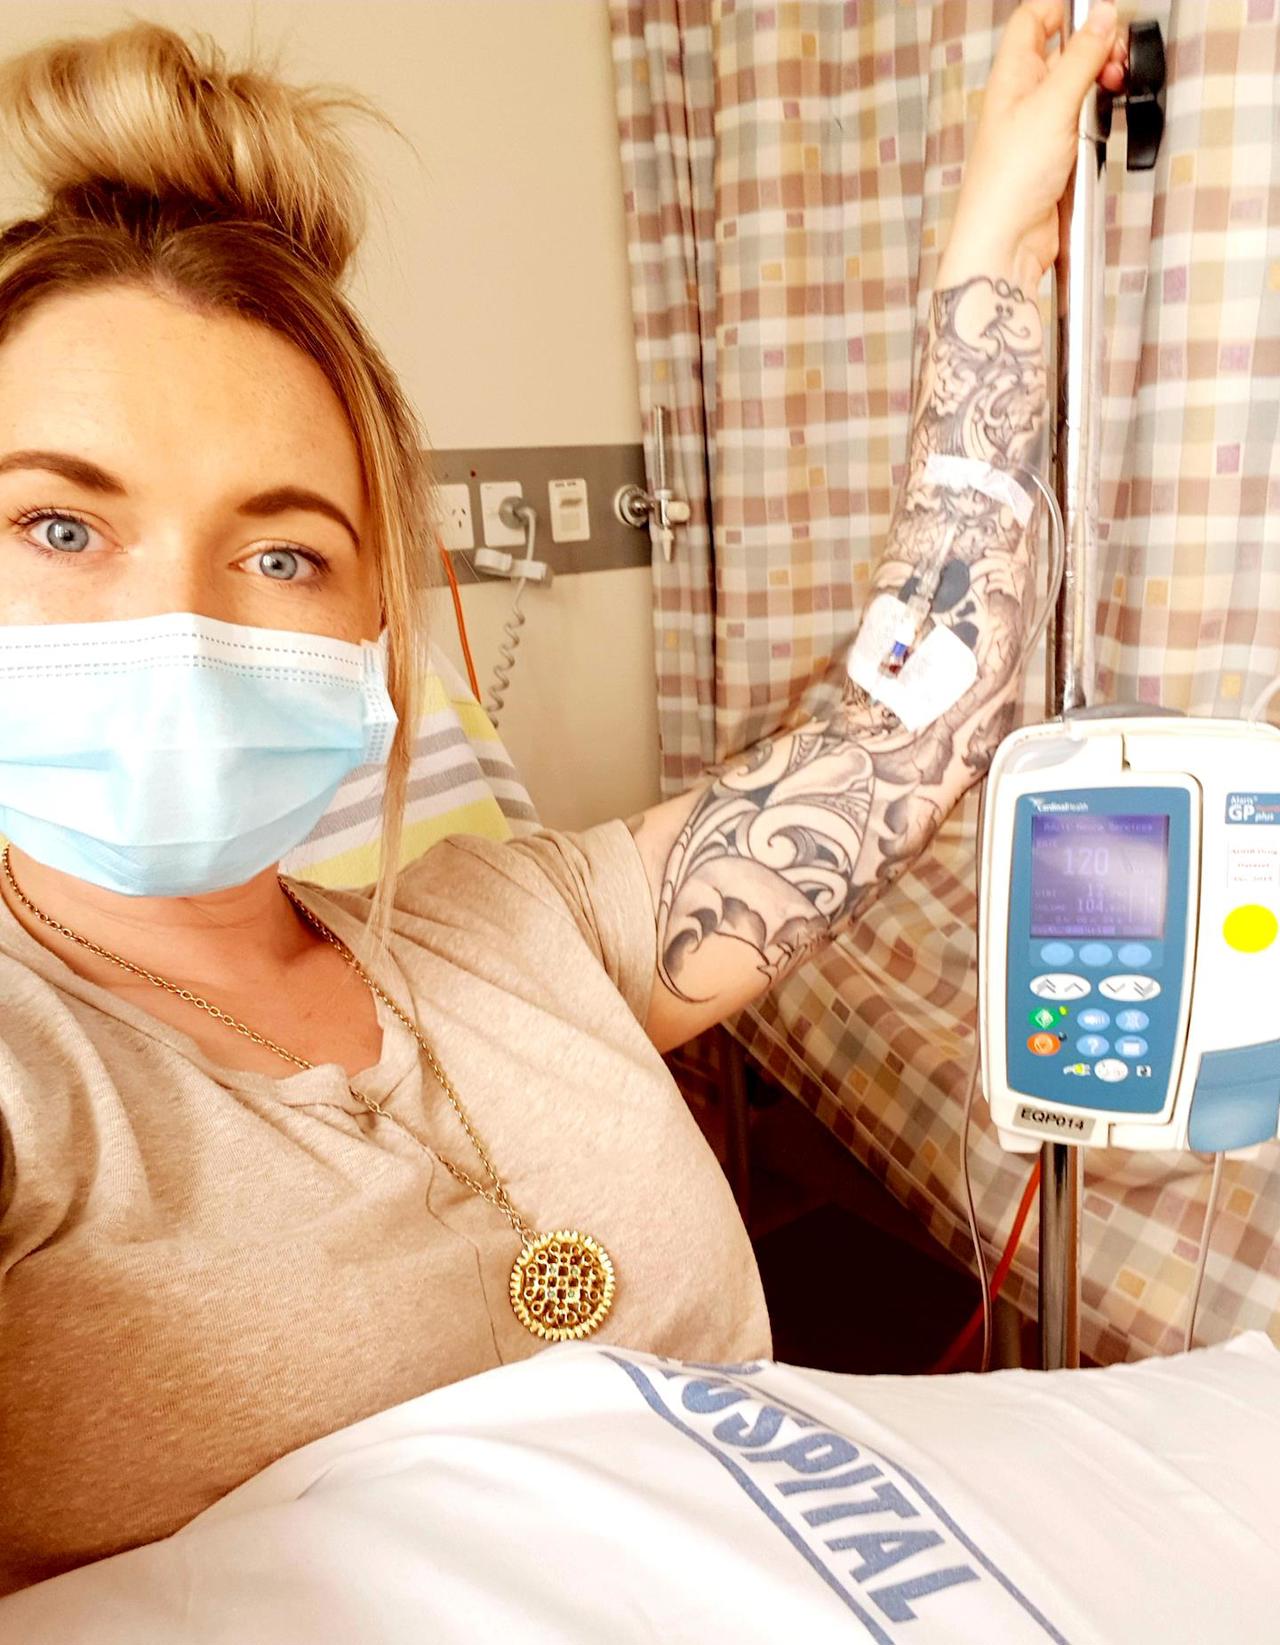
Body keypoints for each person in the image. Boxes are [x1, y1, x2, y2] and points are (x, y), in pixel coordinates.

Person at [0, 0, 1127, 1598]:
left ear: (376, 625)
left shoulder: (520, 921)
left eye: (284, 553)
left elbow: (909, 723)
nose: (174, 623)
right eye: (58, 527)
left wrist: (993, 250)